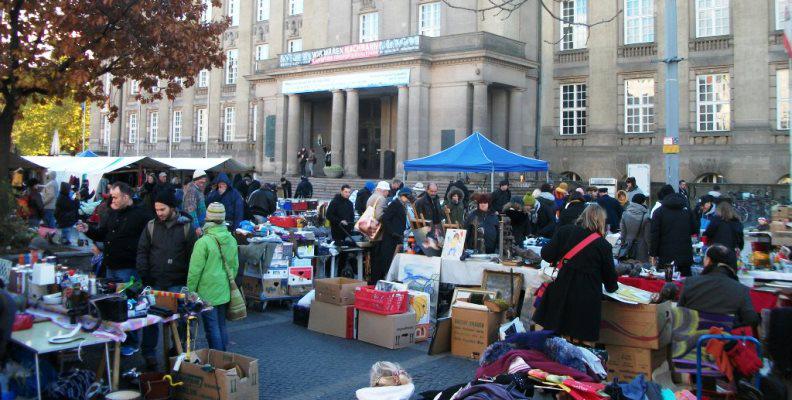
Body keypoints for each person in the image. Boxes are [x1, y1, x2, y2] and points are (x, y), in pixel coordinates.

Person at [77, 182, 152, 355]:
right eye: (112, 196)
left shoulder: (142, 215)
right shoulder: (112, 212)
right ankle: (115, 337)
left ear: (126, 197)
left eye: (116, 197)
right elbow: (103, 233)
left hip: (129, 268)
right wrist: (88, 229)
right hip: (111, 266)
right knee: (111, 303)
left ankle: (131, 342)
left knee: (128, 306)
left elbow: (149, 241)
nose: (113, 200)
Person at [534, 204, 618, 342]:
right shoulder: (603, 245)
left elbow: (546, 254)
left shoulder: (564, 231)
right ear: (601, 222)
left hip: (559, 292)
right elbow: (610, 281)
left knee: (553, 342)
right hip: (585, 301)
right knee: (580, 347)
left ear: (582, 216)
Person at [136, 190, 197, 370]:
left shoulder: (187, 227)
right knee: (150, 321)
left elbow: (193, 257)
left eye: (162, 209)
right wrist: (144, 273)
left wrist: (188, 282)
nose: (159, 213)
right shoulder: (151, 226)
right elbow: (142, 251)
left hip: (177, 282)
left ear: (172, 207)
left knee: (179, 321)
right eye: (157, 209)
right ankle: (149, 354)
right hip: (154, 281)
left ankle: (177, 351)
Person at [188, 202, 239, 351]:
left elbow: (194, 271)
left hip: (206, 292)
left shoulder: (203, 242)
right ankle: (224, 356)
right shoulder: (231, 239)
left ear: (207, 218)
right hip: (224, 290)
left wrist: (191, 291)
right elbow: (234, 267)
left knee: (211, 328)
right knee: (221, 324)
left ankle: (217, 360)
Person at [678, 244, 759, 327]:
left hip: (690, 337)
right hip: (724, 337)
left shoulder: (689, 283)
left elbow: (679, 313)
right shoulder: (741, 290)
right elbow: (751, 319)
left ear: (708, 260)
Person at [649, 187, 697, 277]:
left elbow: (654, 235)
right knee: (685, 282)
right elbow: (694, 229)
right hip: (685, 254)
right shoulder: (687, 210)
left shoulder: (659, 212)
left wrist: (653, 254)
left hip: (666, 256)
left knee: (667, 281)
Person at [371, 188, 413, 284]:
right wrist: (392, 232)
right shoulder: (395, 204)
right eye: (406, 197)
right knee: (387, 260)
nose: (407, 199)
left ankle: (388, 279)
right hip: (390, 237)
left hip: (397, 236)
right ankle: (383, 280)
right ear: (402, 196)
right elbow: (385, 218)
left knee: (392, 260)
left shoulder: (402, 205)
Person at [619, 193, 651, 262]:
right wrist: (651, 249)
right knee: (641, 269)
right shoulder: (646, 216)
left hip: (628, 247)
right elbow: (647, 236)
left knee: (628, 268)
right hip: (642, 248)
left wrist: (622, 244)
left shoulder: (625, 214)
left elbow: (623, 233)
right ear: (643, 202)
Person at [183, 170, 208, 235]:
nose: (202, 184)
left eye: (204, 182)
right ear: (195, 180)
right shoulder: (192, 191)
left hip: (201, 224)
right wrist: (196, 226)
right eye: (201, 182)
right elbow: (191, 210)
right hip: (194, 227)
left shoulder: (198, 190)